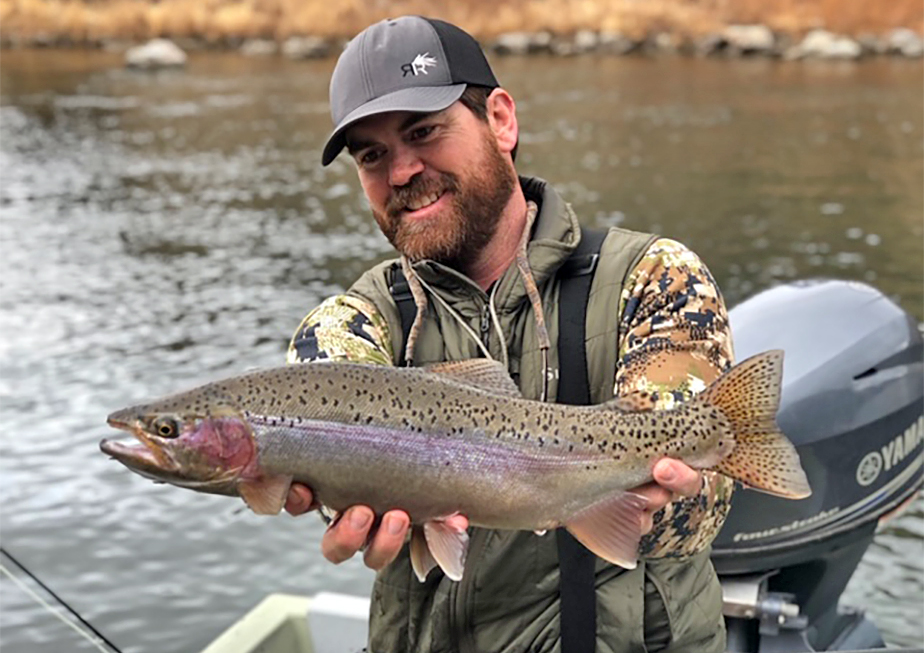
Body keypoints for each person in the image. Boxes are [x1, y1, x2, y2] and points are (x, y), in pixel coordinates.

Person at [284, 15, 735, 652]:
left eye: (424, 131)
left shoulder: (655, 277)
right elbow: (317, 391)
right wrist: (343, 497)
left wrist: (661, 499)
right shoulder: (358, 319)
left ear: (500, 120)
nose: (402, 171)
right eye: (372, 155)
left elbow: (705, 508)